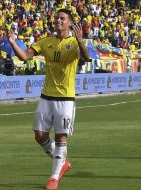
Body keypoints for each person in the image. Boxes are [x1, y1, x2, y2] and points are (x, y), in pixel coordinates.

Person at [8, 9, 89, 190]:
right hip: (46, 96)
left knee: (61, 137)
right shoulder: (45, 42)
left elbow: (86, 56)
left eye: (62, 18)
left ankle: (54, 177)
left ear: (69, 23)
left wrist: (81, 41)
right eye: (56, 18)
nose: (58, 21)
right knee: (39, 136)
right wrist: (13, 43)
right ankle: (63, 163)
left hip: (65, 98)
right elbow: (24, 56)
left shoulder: (75, 43)